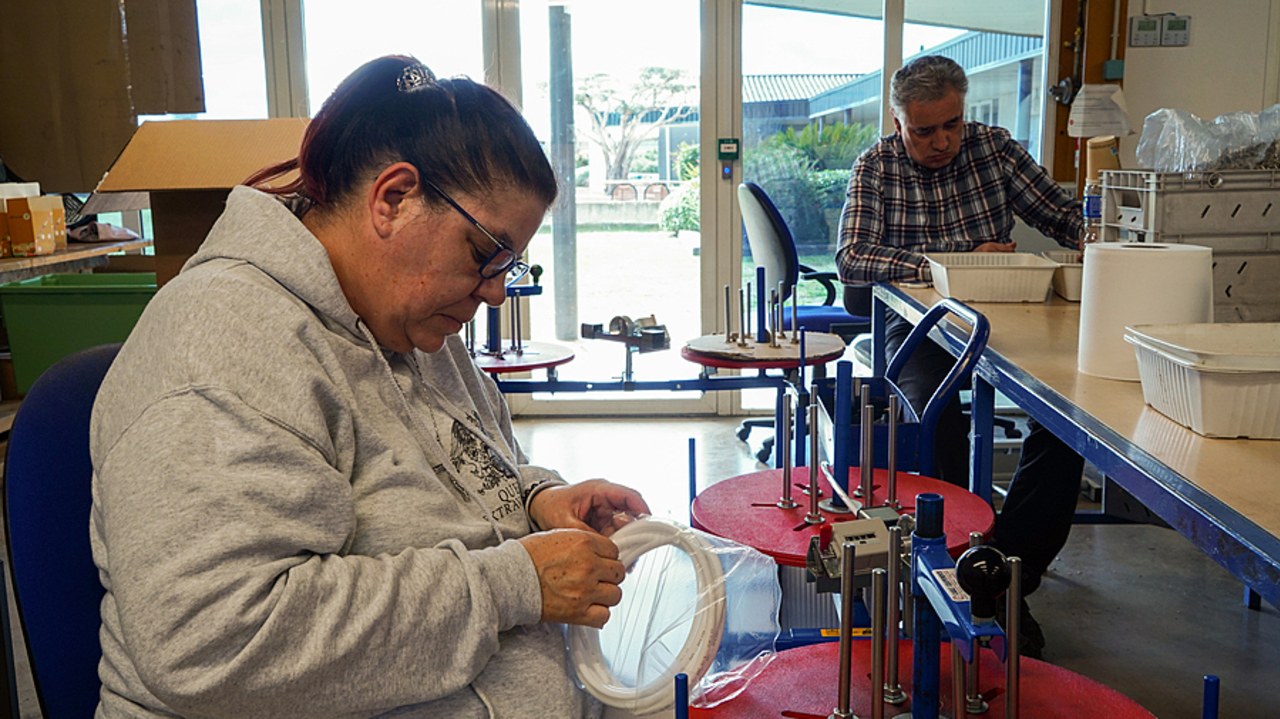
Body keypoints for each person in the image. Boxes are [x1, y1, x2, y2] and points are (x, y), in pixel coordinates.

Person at [89, 55, 650, 718]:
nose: (497, 289)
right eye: (485, 254)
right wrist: (515, 582)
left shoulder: (408, 322)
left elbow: (459, 468)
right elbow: (214, 640)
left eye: (510, 263)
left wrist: (536, 501)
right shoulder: (218, 345)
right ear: (393, 198)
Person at [835, 55, 1086, 659]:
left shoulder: (994, 149)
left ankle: (998, 572)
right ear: (898, 122)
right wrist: (948, 263)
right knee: (934, 417)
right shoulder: (876, 166)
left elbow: (1061, 215)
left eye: (951, 124)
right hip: (919, 325)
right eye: (923, 131)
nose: (942, 141)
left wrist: (1108, 238)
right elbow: (852, 258)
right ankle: (949, 568)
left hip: (1006, 319)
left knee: (1069, 424)